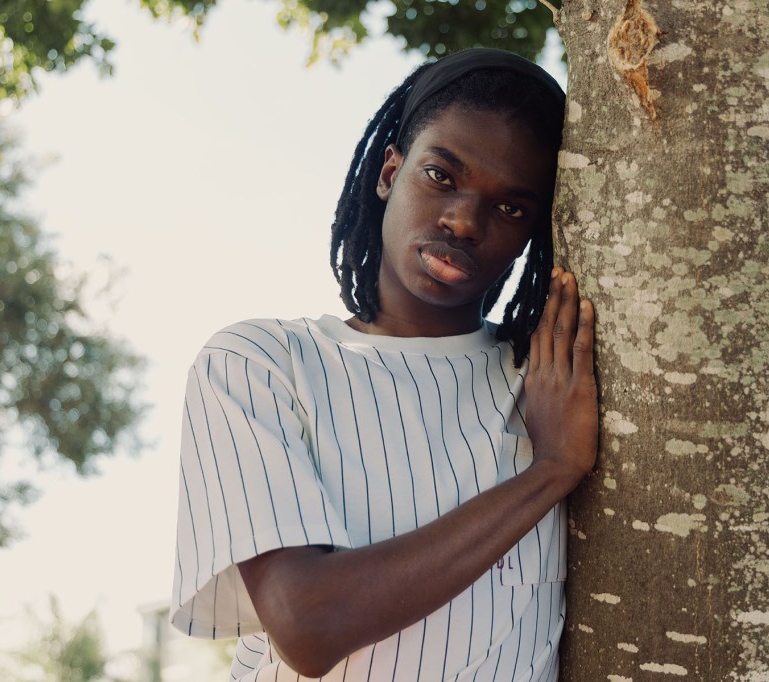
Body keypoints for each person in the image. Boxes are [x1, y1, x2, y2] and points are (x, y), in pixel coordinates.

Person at [169, 47, 598, 681]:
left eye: (510, 208)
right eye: (441, 176)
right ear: (389, 172)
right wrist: (551, 470)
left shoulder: (549, 383)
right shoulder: (261, 363)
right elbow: (309, 625)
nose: (464, 220)